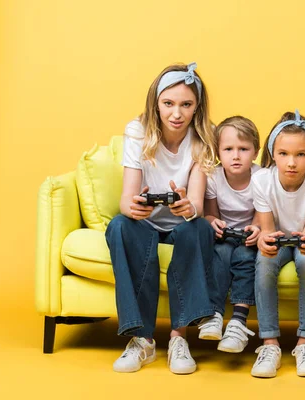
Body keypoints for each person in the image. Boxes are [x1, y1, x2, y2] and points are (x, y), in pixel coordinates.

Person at [105, 62, 217, 374]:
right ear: (156, 103)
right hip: (147, 224)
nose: (176, 114)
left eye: (186, 105)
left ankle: (179, 338)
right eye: (168, 104)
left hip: (183, 225)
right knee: (118, 226)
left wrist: (186, 206)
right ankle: (142, 340)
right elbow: (126, 199)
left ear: (197, 107)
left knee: (199, 229)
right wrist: (134, 207)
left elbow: (196, 203)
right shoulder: (137, 131)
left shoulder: (203, 137)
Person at [250, 111, 305, 378]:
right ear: (272, 154)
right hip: (278, 237)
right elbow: (267, 231)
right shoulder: (261, 180)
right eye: (284, 153)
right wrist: (265, 240)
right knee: (264, 261)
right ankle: (269, 343)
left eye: (301, 154)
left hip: (302, 239)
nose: (291, 162)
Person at [199, 116, 261, 353]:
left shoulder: (261, 177)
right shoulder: (213, 177)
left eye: (243, 149)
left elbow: (262, 214)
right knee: (221, 254)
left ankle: (238, 320)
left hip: (249, 236)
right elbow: (211, 213)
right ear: (218, 152)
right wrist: (213, 222)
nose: (236, 156)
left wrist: (256, 229)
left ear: (255, 152)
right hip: (225, 236)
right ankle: (214, 314)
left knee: (245, 257)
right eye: (228, 149)